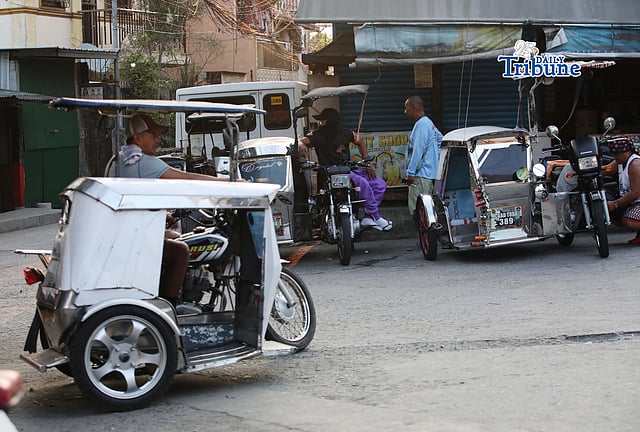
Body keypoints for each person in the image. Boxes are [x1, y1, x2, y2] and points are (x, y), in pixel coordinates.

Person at [109, 114, 227, 306]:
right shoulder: (142, 161)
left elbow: (133, 199)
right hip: (133, 240)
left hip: (125, 232)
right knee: (181, 250)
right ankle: (170, 304)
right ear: (138, 138)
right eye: (153, 135)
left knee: (175, 236)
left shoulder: (120, 159)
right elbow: (187, 179)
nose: (158, 140)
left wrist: (165, 215)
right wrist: (229, 183)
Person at [298, 108, 392, 231]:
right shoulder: (316, 135)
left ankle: (368, 216)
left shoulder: (346, 133)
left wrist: (367, 163)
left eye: (322, 120)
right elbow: (301, 141)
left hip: (348, 170)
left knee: (379, 184)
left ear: (329, 121)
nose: (320, 123)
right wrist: (301, 144)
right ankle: (375, 215)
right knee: (363, 183)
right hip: (328, 173)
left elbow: (359, 142)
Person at [403, 95, 443, 222]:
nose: (405, 111)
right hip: (429, 173)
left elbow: (417, 151)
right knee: (427, 209)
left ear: (415, 107)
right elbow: (441, 140)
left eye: (407, 108)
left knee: (418, 210)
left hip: (420, 175)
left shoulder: (421, 125)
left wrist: (410, 172)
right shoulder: (429, 123)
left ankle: (422, 235)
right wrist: (434, 159)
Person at [605, 138, 640, 244]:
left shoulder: (635, 164)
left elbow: (636, 192)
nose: (614, 157)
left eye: (616, 155)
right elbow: (607, 170)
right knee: (614, 215)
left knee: (629, 219)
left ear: (626, 152)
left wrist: (615, 204)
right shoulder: (620, 161)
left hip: (637, 200)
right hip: (635, 202)